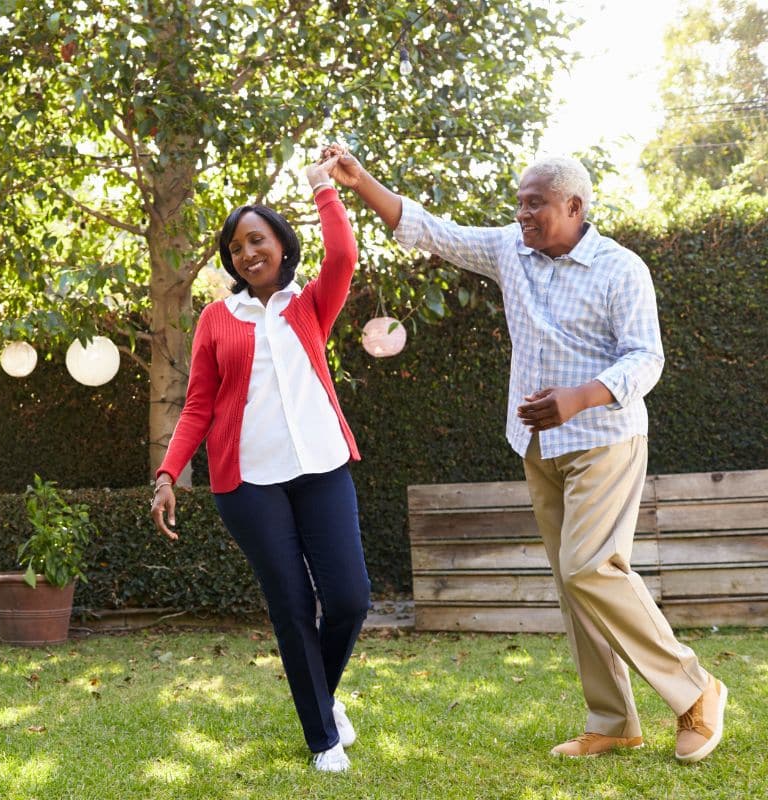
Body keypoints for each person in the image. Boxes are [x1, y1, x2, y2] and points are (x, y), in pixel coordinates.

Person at [322, 147, 727, 763]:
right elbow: (435, 231)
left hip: (605, 438)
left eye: (534, 203)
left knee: (592, 566)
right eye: (519, 202)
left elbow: (646, 358)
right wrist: (361, 182)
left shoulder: (621, 269)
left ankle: (696, 689)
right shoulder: (511, 249)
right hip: (539, 446)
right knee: (574, 582)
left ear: (575, 206)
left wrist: (579, 399)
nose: (522, 214)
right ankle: (613, 720)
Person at [150, 156, 372, 773]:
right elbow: (197, 404)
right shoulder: (217, 319)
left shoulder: (309, 306)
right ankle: (323, 739)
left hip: (323, 467)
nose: (247, 252)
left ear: (280, 245)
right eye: (236, 245)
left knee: (350, 599)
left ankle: (320, 699)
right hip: (248, 483)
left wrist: (323, 188)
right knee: (293, 606)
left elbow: (345, 257)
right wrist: (168, 474)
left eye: (258, 239)